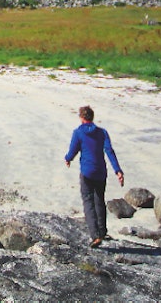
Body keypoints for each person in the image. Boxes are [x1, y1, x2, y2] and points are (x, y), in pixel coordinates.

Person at [64, 105, 124, 247]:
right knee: (99, 201)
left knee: (88, 202)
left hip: (87, 172)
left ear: (81, 118)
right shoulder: (102, 132)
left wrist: (67, 158)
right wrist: (118, 170)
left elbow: (73, 150)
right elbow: (109, 151)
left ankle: (95, 235)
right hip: (101, 172)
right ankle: (102, 231)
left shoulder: (78, 133)